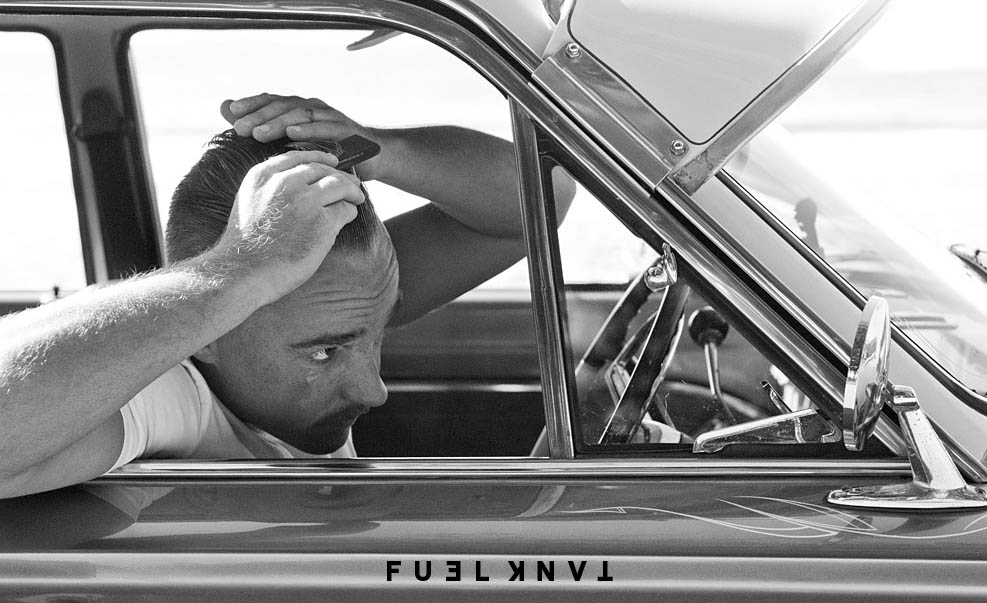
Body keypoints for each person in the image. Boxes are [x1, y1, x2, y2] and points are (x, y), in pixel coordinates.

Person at [0, 94, 575, 499]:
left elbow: (543, 193)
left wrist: (382, 152)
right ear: (209, 335)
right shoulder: (169, 391)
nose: (373, 390)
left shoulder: (336, 296)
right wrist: (233, 273)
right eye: (323, 353)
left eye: (373, 336)